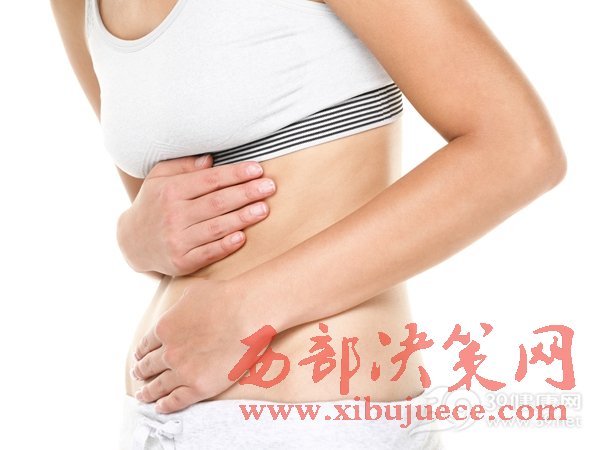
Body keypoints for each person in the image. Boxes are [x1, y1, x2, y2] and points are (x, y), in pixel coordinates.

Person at [51, 0, 566, 448]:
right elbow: (178, 217)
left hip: (312, 420)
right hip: (156, 420)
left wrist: (248, 313)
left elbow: (519, 150)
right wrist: (133, 239)